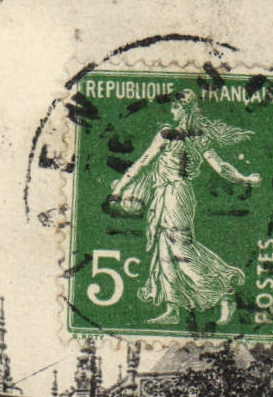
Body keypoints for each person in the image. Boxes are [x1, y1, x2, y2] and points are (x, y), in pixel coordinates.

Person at [107, 90, 262, 327]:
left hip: (175, 195)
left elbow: (143, 162)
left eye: (176, 107)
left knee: (180, 249)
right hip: (169, 195)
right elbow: (221, 168)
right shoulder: (197, 138)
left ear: (185, 110)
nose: (172, 111)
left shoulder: (172, 135)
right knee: (165, 250)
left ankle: (224, 292)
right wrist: (244, 179)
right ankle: (173, 308)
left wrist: (119, 188)